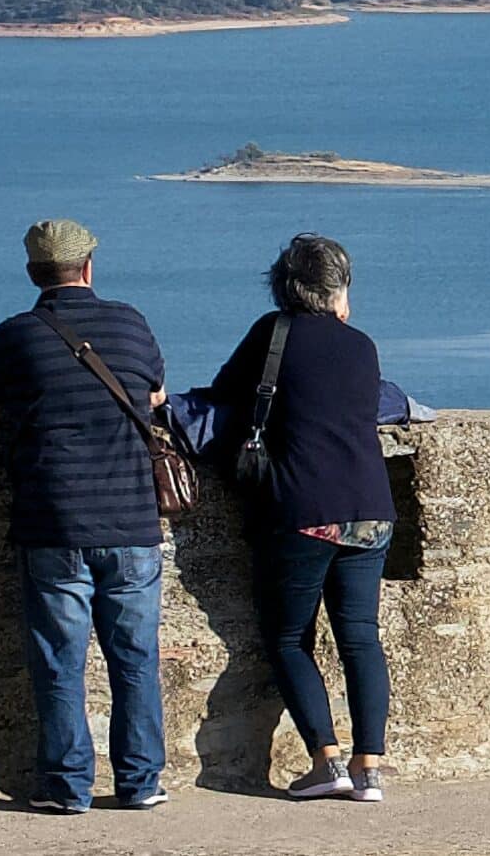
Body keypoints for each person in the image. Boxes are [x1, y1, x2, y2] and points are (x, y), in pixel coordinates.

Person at [0, 218, 170, 814]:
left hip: (53, 518)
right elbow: (154, 395)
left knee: (61, 660)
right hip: (131, 520)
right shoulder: (130, 322)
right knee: (135, 659)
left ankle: (66, 786)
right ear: (88, 267)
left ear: (35, 274)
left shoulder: (14, 336)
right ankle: (140, 782)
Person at [209, 233, 394, 804]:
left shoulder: (274, 334)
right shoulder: (361, 345)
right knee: (360, 638)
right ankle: (369, 771)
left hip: (303, 509)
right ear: (339, 289)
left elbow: (224, 394)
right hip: (371, 508)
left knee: (289, 637)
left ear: (283, 286)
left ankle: (326, 759)